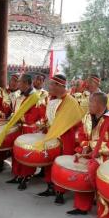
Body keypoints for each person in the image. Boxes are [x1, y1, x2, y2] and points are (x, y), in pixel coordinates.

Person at [67, 92, 109, 218]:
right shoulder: (87, 116)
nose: (89, 105)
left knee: (97, 176)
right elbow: (81, 134)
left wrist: (97, 150)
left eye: (91, 102)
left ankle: (104, 216)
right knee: (80, 173)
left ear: (100, 104)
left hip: (107, 156)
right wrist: (85, 146)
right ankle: (82, 207)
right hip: (88, 153)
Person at [36, 75, 83, 204]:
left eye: (51, 84)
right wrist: (43, 125)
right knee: (49, 161)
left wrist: (62, 127)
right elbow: (49, 118)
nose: (49, 87)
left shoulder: (71, 102)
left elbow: (77, 122)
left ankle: (60, 192)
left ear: (60, 86)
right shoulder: (51, 99)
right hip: (51, 135)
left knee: (61, 165)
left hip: (65, 139)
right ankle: (50, 187)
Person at [5, 73, 46, 190]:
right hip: (20, 127)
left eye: (20, 82)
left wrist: (17, 117)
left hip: (29, 129)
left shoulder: (35, 97)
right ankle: (17, 175)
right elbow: (16, 111)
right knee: (17, 152)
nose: (18, 84)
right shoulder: (20, 96)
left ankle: (26, 177)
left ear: (27, 83)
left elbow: (33, 117)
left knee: (27, 153)